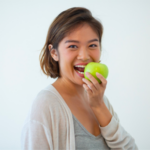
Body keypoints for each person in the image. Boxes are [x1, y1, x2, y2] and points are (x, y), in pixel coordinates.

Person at [21, 7, 138, 150]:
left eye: (92, 45)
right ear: (54, 53)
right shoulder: (45, 105)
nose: (84, 56)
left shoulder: (101, 100)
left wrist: (98, 106)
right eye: (73, 46)